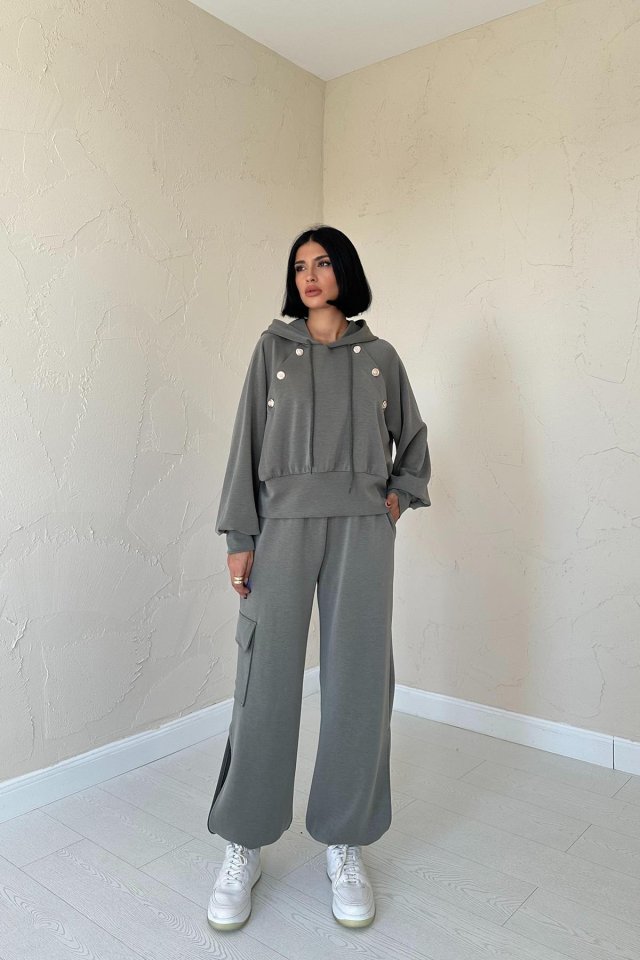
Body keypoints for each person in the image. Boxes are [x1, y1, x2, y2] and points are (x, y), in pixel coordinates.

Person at [206, 224, 431, 932]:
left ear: (345, 272)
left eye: (323, 263)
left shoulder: (380, 358)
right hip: (282, 530)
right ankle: (245, 840)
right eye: (299, 265)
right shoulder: (271, 351)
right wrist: (241, 537)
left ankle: (344, 841)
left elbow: (414, 445)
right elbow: (244, 444)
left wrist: (397, 496)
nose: (309, 275)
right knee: (264, 681)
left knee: (359, 684)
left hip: (362, 533)